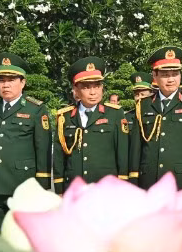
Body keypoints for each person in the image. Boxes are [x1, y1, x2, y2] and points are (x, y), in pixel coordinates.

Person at [129, 46, 182, 233]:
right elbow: (136, 147)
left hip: (180, 181)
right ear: (155, 77)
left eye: (175, 73)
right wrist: (134, 181)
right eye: (165, 74)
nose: (171, 79)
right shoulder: (143, 105)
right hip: (150, 180)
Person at [0, 53, 52, 232]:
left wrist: (42, 187)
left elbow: (43, 149)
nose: (5, 85)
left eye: (11, 80)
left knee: (22, 239)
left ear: (22, 82)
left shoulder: (35, 109)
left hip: (22, 186)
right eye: (1, 80)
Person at [53, 57, 129, 192]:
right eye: (86, 87)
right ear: (75, 89)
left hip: (106, 188)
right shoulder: (64, 117)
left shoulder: (115, 114)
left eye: (97, 86)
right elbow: (59, 157)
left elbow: (122, 153)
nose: (93, 92)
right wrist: (59, 189)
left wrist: (123, 185)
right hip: (74, 188)